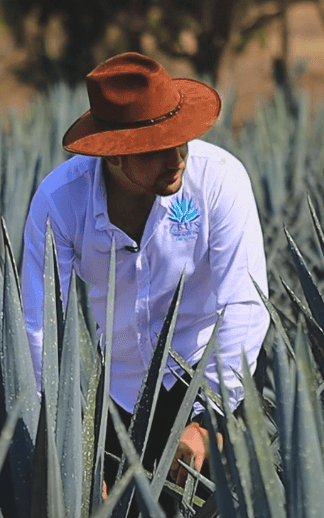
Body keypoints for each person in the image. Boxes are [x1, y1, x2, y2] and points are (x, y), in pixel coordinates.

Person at [20, 52, 270, 487]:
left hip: (213, 376)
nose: (177, 157)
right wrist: (63, 445)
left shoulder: (220, 180)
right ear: (115, 154)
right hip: (120, 389)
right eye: (157, 149)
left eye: (182, 139)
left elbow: (244, 303)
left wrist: (209, 420)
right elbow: (39, 326)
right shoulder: (61, 201)